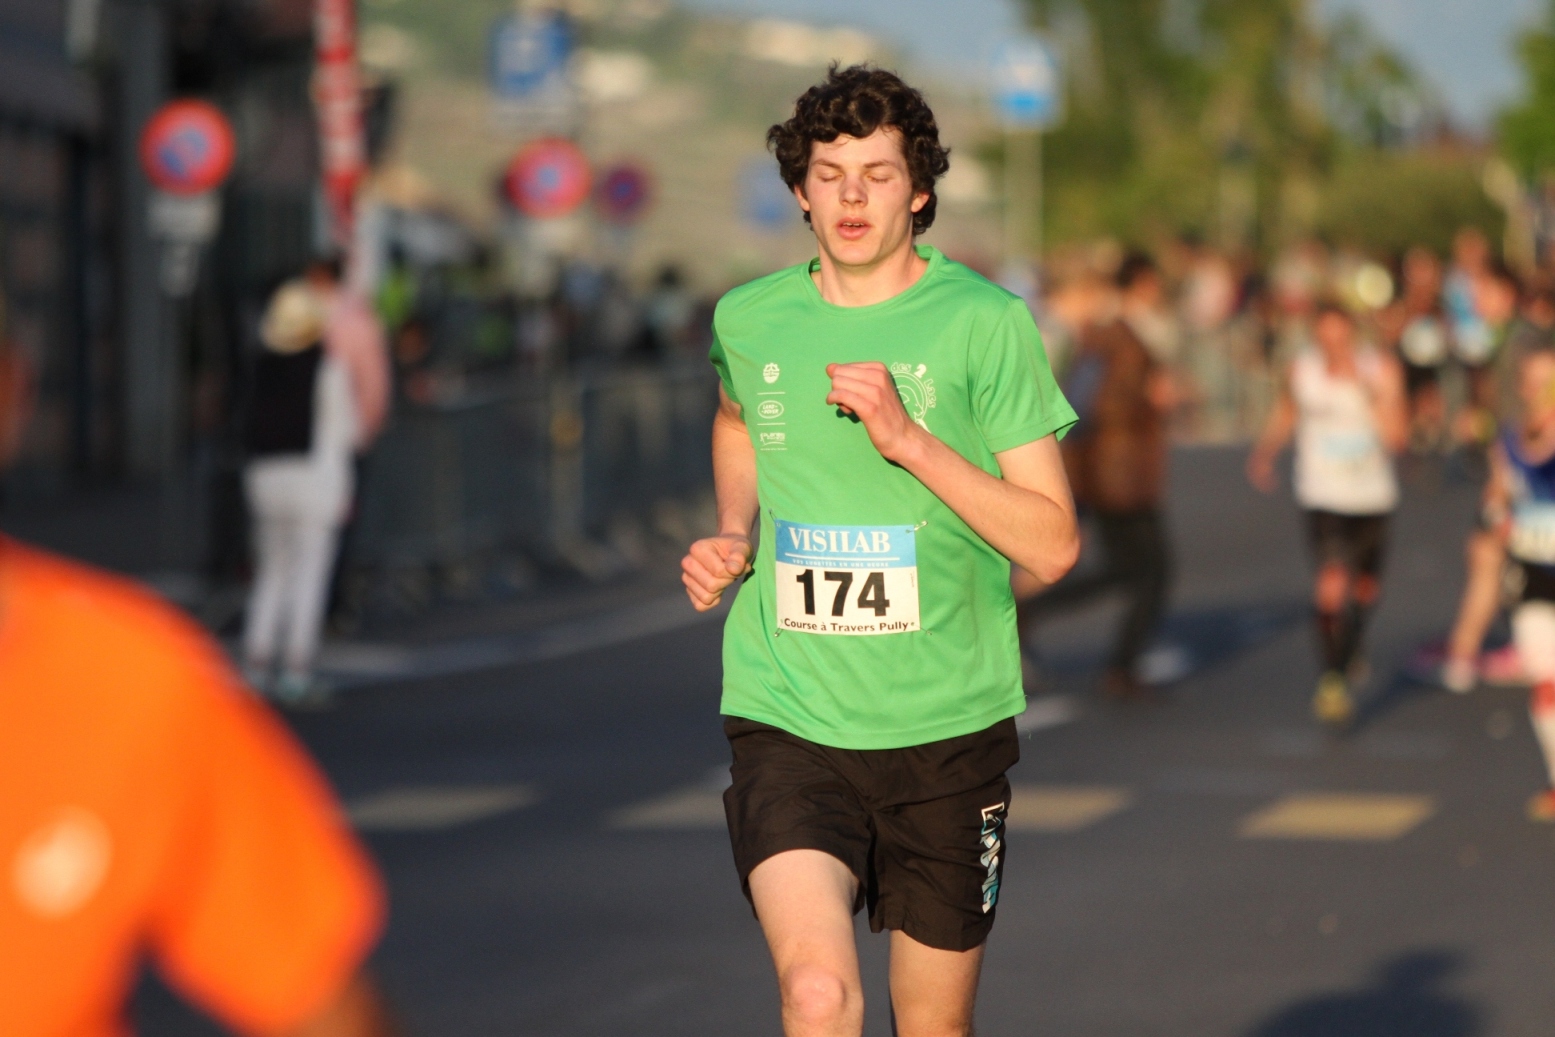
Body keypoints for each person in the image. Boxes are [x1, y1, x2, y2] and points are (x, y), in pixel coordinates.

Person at [680, 65, 1079, 1037]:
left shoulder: (985, 323)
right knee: (817, 993)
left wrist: (909, 441)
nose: (851, 197)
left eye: (877, 173)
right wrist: (732, 527)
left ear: (920, 191)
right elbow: (735, 421)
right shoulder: (750, 318)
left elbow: (1054, 543)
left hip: (946, 726)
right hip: (790, 712)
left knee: (931, 1023)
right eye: (829, 174)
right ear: (799, 189)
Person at [0, 337, 396, 1036]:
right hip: (305, 485)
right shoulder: (128, 675)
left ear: (12, 392)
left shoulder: (125, 683)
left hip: (274, 486)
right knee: (296, 581)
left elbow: (310, 994)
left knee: (281, 582)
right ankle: (286, 661)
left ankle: (275, 659)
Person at [1019, 253, 1174, 699]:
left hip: (1113, 470)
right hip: (1117, 473)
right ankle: (1119, 666)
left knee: (1125, 570)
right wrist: (1147, 398)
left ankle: (1038, 615)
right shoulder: (1117, 337)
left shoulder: (1109, 336)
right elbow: (1085, 405)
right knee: (1150, 572)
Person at [1248, 302, 1408, 727]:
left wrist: (1367, 391)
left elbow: (1398, 436)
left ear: (1353, 334)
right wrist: (1265, 453)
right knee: (1332, 584)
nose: (1333, 347)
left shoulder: (1380, 369)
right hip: (1322, 493)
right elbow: (1288, 410)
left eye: (1340, 337)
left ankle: (1352, 642)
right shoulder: (1302, 370)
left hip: (1372, 496)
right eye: (1324, 338)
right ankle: (1332, 678)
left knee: (1366, 589)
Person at [242, 281, 359, 704]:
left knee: (271, 571)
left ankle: (257, 659)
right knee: (309, 575)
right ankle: (296, 667)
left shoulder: (261, 368)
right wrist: (345, 489)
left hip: (265, 478)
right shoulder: (328, 371)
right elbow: (344, 432)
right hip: (314, 481)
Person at [1479, 348, 1555, 819]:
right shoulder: (1508, 439)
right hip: (1532, 574)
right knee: (1546, 679)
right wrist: (1497, 516)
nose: (1543, 390)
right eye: (1536, 380)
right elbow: (1497, 495)